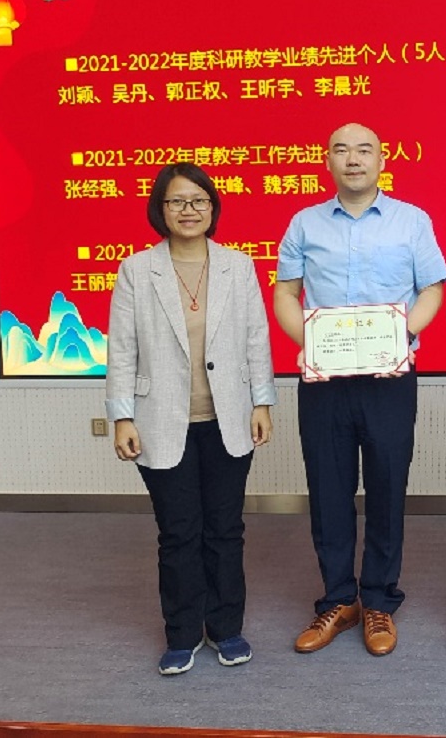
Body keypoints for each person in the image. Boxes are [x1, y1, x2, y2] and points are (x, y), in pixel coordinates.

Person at [274, 122, 446, 657]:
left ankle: (378, 600)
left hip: (389, 379)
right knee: (328, 490)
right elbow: (286, 294)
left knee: (387, 489)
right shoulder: (304, 223)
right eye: (341, 150)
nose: (353, 159)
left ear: (381, 159)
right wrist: (314, 343)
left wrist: (401, 338)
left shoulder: (411, 220)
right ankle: (337, 599)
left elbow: (433, 290)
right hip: (325, 381)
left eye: (364, 150)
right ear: (327, 161)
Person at [106, 163, 276, 676]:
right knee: (178, 532)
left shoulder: (237, 267)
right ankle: (181, 633)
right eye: (177, 201)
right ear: (160, 209)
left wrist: (262, 402)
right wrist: (121, 416)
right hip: (161, 420)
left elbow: (256, 339)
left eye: (199, 201)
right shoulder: (137, 270)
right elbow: (122, 349)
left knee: (225, 529)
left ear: (213, 208)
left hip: (228, 417)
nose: (189, 210)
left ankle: (226, 628)